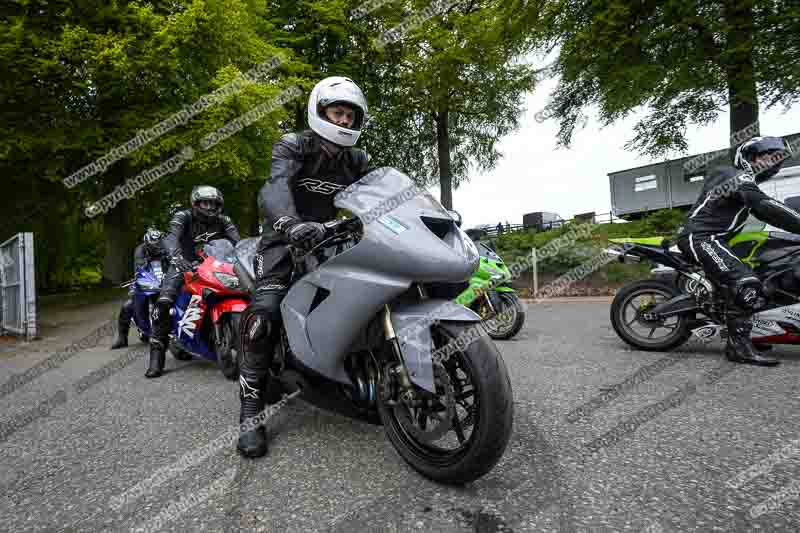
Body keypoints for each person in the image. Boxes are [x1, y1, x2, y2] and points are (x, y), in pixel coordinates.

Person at [237, 76, 374, 458]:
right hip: (284, 242)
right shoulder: (293, 145)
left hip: (335, 240)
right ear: (320, 111)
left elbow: (383, 193)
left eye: (350, 115)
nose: (344, 121)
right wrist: (290, 225)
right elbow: (274, 188)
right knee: (263, 318)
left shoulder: (357, 159)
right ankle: (251, 414)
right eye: (337, 112)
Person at [676, 135, 798, 366]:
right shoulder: (731, 175)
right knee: (746, 283)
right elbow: (764, 206)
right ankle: (738, 348)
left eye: (777, 159)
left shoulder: (746, 183)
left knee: (764, 275)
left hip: (716, 240)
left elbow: (765, 210)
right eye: (767, 157)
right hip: (701, 237)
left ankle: (756, 332)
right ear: (749, 157)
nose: (773, 163)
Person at [145, 186, 241, 378]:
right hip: (184, 265)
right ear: (196, 204)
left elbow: (237, 242)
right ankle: (156, 357)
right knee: (164, 303)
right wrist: (175, 255)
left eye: (214, 203)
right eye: (205, 203)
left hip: (216, 265)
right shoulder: (183, 217)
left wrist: (245, 255)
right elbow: (171, 237)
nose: (210, 207)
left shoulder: (224, 220)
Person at [111, 228, 166, 349]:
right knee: (128, 305)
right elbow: (141, 266)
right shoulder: (140, 250)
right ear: (147, 243)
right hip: (146, 281)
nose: (157, 247)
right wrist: (143, 273)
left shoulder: (166, 248)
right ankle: (122, 338)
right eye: (154, 245)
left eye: (159, 244)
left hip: (164, 281)